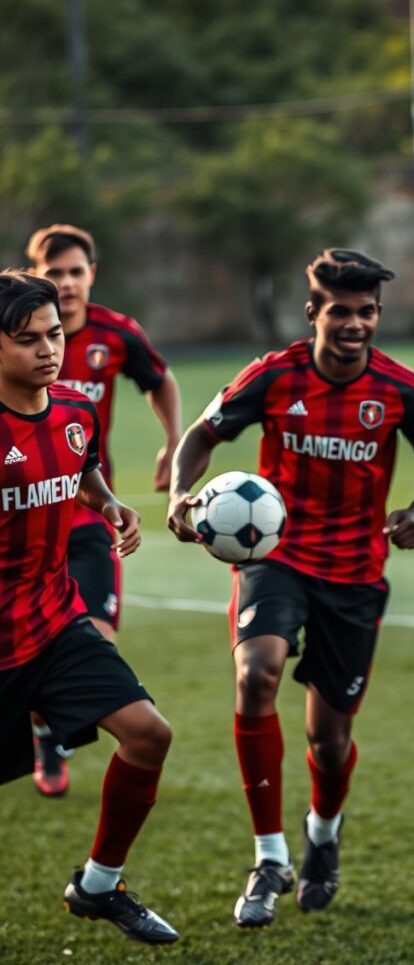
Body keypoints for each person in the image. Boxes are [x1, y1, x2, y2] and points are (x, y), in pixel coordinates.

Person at [168, 248, 414, 927]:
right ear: (314, 314)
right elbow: (202, 435)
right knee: (256, 674)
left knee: (328, 739)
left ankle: (322, 834)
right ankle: (270, 856)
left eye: (366, 313)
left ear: (377, 316)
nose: (354, 324)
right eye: (340, 312)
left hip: (355, 574)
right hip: (278, 556)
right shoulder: (273, 376)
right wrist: (183, 494)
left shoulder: (398, 388)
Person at [0, 271, 176, 943]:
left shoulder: (75, 408)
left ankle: (99, 884)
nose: (48, 351)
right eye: (26, 341)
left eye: (53, 336)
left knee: (149, 734)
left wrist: (108, 503)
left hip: (53, 621)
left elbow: (81, 466)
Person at [25, 224, 181, 796]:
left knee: (95, 641)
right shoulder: (16, 342)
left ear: (92, 274)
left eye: (75, 271)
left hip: (87, 513)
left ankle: (50, 738)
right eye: (54, 272)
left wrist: (172, 440)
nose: (66, 283)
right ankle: (45, 735)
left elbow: (160, 382)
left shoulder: (116, 335)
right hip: (21, 524)